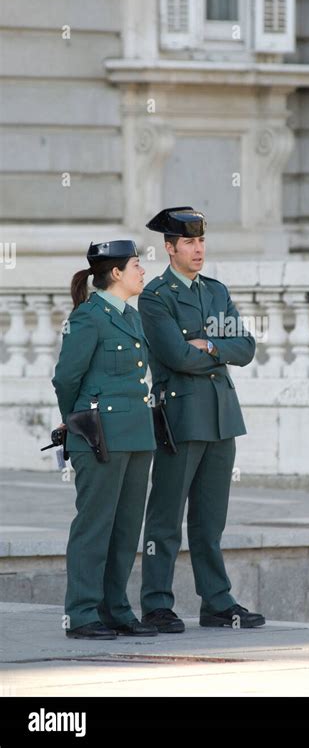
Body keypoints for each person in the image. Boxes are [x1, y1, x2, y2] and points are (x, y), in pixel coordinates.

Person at [139, 207, 265, 631]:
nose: (198, 249)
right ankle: (156, 603)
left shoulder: (215, 291)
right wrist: (213, 349)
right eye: (189, 243)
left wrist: (208, 345)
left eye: (201, 241)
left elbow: (245, 348)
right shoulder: (155, 297)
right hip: (181, 416)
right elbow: (174, 355)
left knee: (210, 520)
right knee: (166, 516)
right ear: (169, 248)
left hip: (222, 417)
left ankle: (216, 601)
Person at [52, 240, 158, 640]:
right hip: (99, 437)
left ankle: (115, 609)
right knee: (95, 526)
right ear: (116, 273)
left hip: (136, 436)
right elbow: (66, 379)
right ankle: (81, 614)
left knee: (126, 528)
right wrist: (76, 421)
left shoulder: (131, 317)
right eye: (136, 265)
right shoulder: (88, 318)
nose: (142, 271)